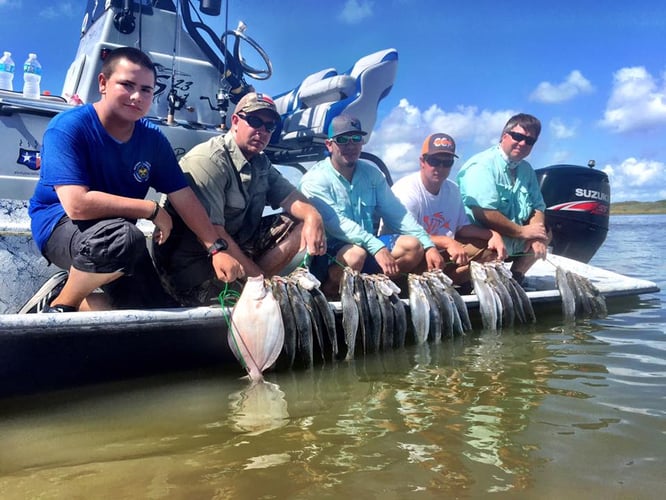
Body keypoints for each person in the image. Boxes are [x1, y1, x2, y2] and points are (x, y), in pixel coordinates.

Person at [28, 47, 243, 313]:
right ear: (103, 84)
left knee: (155, 311)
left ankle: (71, 292)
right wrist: (151, 209)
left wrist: (216, 249)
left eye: (146, 89)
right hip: (61, 226)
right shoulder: (68, 127)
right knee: (124, 237)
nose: (136, 96)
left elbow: (184, 196)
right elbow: (77, 205)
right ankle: (61, 306)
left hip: (117, 237)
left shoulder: (152, 140)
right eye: (127, 85)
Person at [152, 92, 326, 306]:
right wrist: (260, 283)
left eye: (269, 127)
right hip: (189, 265)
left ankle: (253, 287)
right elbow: (213, 232)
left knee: (299, 222)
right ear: (235, 121)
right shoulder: (208, 160)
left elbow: (291, 197)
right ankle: (255, 288)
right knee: (239, 313)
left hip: (233, 247)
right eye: (255, 121)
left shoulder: (261, 163)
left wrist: (313, 217)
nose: (262, 131)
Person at [299, 114, 443, 296]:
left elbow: (398, 215)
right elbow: (337, 224)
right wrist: (377, 247)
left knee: (413, 247)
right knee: (355, 255)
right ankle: (327, 294)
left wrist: (428, 245)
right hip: (327, 254)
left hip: (367, 247)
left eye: (356, 139)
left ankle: (373, 292)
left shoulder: (373, 175)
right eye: (342, 140)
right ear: (329, 144)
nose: (350, 146)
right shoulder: (314, 180)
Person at [386, 133, 507, 288]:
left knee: (491, 251)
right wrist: (447, 242)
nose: (440, 168)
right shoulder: (406, 190)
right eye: (434, 161)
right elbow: (406, 235)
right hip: (411, 253)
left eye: (447, 162)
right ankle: (406, 286)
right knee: (414, 247)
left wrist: (492, 234)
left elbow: (462, 227)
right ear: (422, 161)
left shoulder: (453, 189)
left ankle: (441, 285)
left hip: (442, 253)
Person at [457, 113, 550, 284]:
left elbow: (538, 207)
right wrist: (522, 232)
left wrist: (535, 235)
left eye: (529, 141)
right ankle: (472, 282)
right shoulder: (482, 165)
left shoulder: (527, 169)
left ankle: (516, 278)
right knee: (489, 251)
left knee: (545, 232)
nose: (522, 143)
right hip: (483, 237)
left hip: (513, 240)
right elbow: (483, 212)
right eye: (518, 136)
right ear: (504, 136)